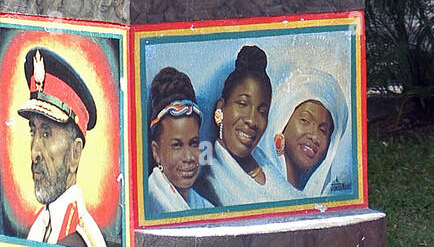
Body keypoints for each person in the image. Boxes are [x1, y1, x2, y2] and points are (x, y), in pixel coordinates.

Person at [17, 46, 108, 247]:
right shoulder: (44, 225)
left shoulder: (74, 238)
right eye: (34, 132)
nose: (34, 153)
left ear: (75, 153)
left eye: (47, 134)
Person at [196, 45, 294, 206]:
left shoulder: (266, 163)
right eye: (242, 104)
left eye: (262, 112)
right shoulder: (208, 184)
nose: (252, 120)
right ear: (221, 108)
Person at [264, 68, 351, 196]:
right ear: (282, 122)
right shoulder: (256, 185)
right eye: (305, 120)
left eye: (323, 130)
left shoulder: (324, 195)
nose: (315, 136)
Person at [146, 66, 212, 215]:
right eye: (176, 145)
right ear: (156, 152)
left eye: (194, 143)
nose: (188, 157)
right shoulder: (153, 201)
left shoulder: (201, 204)